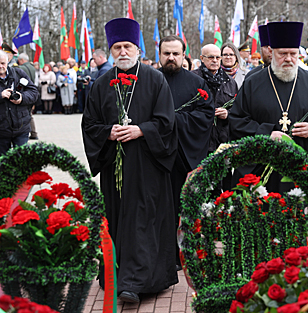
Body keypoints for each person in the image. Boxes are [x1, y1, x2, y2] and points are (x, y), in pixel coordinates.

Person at [82, 18, 178, 303]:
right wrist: (108, 133)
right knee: (116, 219)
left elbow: (167, 122)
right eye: (117, 47)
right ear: (111, 51)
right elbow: (89, 125)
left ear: (137, 48)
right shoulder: (100, 84)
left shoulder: (155, 79)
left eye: (127, 46)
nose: (123, 51)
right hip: (114, 167)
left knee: (143, 220)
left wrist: (141, 130)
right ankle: (115, 274)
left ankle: (138, 281)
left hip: (147, 165)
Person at [229, 21, 308, 193]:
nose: (288, 58)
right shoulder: (253, 83)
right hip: (261, 170)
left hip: (299, 171)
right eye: (282, 53)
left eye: (293, 53)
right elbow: (237, 121)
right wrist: (267, 133)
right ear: (272, 52)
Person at [158, 35, 214, 269]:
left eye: (175, 53)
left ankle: (186, 252)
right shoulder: (151, 80)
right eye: (166, 53)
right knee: (160, 208)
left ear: (184, 55)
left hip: (185, 155)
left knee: (187, 206)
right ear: (159, 55)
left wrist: (174, 120)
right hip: (157, 157)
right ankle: (162, 253)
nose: (171, 58)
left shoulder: (196, 83)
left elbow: (205, 115)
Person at [192, 44, 237, 154]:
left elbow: (239, 109)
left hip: (222, 140)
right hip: (198, 140)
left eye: (218, 57)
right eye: (211, 57)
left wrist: (227, 113)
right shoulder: (192, 79)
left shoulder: (230, 82)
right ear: (202, 58)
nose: (215, 61)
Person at [0, 50, 39, 155]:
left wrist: (22, 98)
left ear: (8, 61)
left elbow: (34, 92)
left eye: (3, 63)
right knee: (3, 164)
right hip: (1, 130)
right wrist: (1, 95)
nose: (0, 66)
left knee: (22, 162)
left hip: (21, 127)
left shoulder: (18, 73)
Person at [17, 53, 39, 140]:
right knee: (30, 113)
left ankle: (26, 132)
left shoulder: (20, 68)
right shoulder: (33, 68)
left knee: (26, 114)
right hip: (33, 92)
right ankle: (34, 133)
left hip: (24, 93)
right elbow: (36, 82)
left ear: (22, 60)